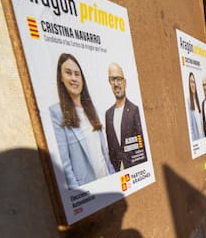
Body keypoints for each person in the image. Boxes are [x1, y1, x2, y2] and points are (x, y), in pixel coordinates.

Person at [50, 53, 114, 189]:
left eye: (77, 74)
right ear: (61, 77)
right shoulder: (57, 113)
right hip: (88, 190)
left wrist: (113, 178)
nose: (73, 78)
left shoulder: (91, 109)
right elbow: (65, 164)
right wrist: (79, 194)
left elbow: (104, 153)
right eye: (68, 73)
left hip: (107, 181)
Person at [105, 63, 147, 171]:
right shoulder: (108, 114)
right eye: (112, 79)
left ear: (125, 82)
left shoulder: (134, 110)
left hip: (136, 170)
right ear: (109, 82)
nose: (116, 83)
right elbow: (111, 148)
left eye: (119, 79)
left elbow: (141, 145)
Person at [187, 72, 204, 141]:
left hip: (202, 138)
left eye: (194, 82)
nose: (193, 85)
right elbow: (190, 127)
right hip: (196, 141)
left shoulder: (198, 102)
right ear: (189, 84)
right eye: (191, 82)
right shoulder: (188, 102)